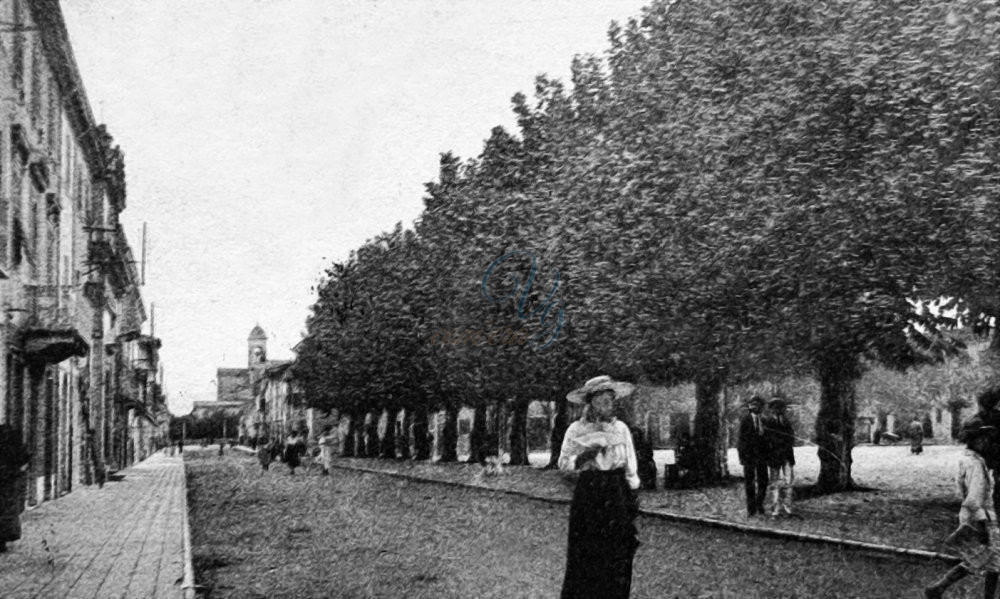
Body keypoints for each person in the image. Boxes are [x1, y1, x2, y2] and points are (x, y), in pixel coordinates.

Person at [558, 375, 640, 599]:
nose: (608, 405)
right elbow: (564, 465)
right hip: (589, 491)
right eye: (602, 400)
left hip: (616, 490)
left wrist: (631, 495)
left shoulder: (621, 429)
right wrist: (584, 456)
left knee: (619, 551)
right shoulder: (575, 430)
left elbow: (630, 465)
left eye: (611, 400)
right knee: (588, 552)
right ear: (590, 402)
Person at [925, 420, 1000, 599]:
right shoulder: (974, 464)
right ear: (975, 441)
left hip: (976, 515)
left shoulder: (968, 460)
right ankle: (938, 588)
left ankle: (938, 588)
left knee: (989, 559)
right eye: (983, 439)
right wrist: (982, 525)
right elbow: (974, 499)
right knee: (989, 558)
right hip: (980, 517)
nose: (987, 443)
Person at [764, 398, 797, 518]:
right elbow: (767, 440)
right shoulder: (768, 423)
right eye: (776, 408)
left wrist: (787, 442)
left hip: (787, 456)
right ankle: (775, 510)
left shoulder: (786, 422)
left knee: (788, 483)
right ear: (772, 409)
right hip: (775, 457)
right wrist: (780, 443)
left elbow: (791, 438)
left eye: (781, 408)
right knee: (774, 484)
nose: (779, 410)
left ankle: (788, 508)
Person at [737, 395, 769, 517]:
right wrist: (742, 457)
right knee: (749, 482)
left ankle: (759, 503)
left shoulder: (765, 421)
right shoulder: (745, 421)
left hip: (762, 456)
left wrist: (768, 454)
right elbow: (741, 440)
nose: (755, 407)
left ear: (761, 407)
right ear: (749, 407)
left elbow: (768, 439)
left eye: (758, 405)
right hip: (749, 456)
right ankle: (751, 509)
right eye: (753, 404)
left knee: (763, 481)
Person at [0, 425, 30, 553]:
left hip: (6, 482)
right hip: (10, 484)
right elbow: (25, 463)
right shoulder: (17, 448)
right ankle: (3, 540)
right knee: (8, 513)